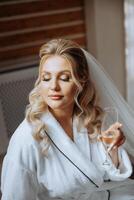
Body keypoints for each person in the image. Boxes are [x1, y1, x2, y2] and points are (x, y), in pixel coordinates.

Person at [1, 38, 134, 200]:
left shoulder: (91, 118)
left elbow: (105, 175)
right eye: (46, 78)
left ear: (81, 81)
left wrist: (112, 150)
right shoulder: (26, 139)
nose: (53, 87)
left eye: (64, 78)